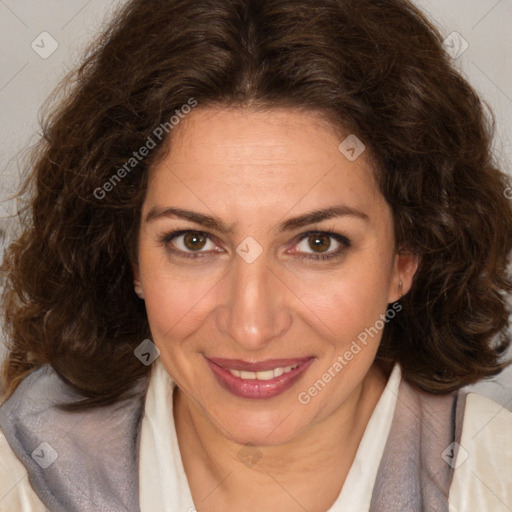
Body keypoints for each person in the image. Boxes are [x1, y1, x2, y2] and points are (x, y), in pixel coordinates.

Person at [1, 0, 511, 510]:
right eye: (194, 241)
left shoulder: (494, 479)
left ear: (406, 259)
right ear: (131, 257)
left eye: (318, 243)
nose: (250, 327)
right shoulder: (22, 476)